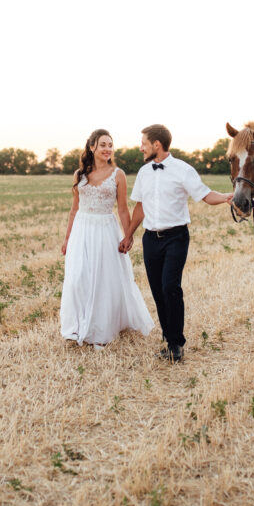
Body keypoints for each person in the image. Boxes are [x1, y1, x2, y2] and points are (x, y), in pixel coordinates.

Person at [119, 124, 233, 362]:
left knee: (171, 286)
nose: (141, 148)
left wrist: (225, 198)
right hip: (151, 239)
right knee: (158, 292)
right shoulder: (143, 173)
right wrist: (129, 235)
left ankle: (176, 344)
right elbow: (139, 208)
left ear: (156, 145)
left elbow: (204, 194)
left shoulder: (183, 170)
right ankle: (169, 338)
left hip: (176, 238)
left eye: (144, 143)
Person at [60, 129, 154, 347]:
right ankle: (75, 327)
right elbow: (74, 210)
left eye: (110, 145)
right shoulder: (79, 174)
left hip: (105, 229)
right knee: (77, 279)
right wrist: (67, 239)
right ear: (92, 147)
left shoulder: (118, 174)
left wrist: (128, 234)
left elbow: (122, 209)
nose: (107, 149)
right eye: (103, 145)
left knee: (103, 280)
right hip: (82, 230)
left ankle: (100, 330)